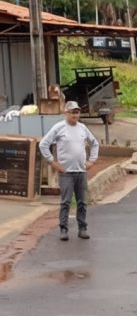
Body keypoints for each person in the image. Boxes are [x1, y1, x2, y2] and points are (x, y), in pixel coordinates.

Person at [39, 100, 100, 241]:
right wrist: (53, 162)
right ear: (66, 113)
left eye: (77, 112)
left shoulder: (82, 128)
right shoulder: (59, 127)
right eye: (72, 112)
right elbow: (43, 144)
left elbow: (94, 143)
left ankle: (82, 228)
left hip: (81, 172)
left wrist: (92, 160)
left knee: (82, 202)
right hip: (66, 173)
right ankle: (63, 229)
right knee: (66, 201)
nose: (75, 115)